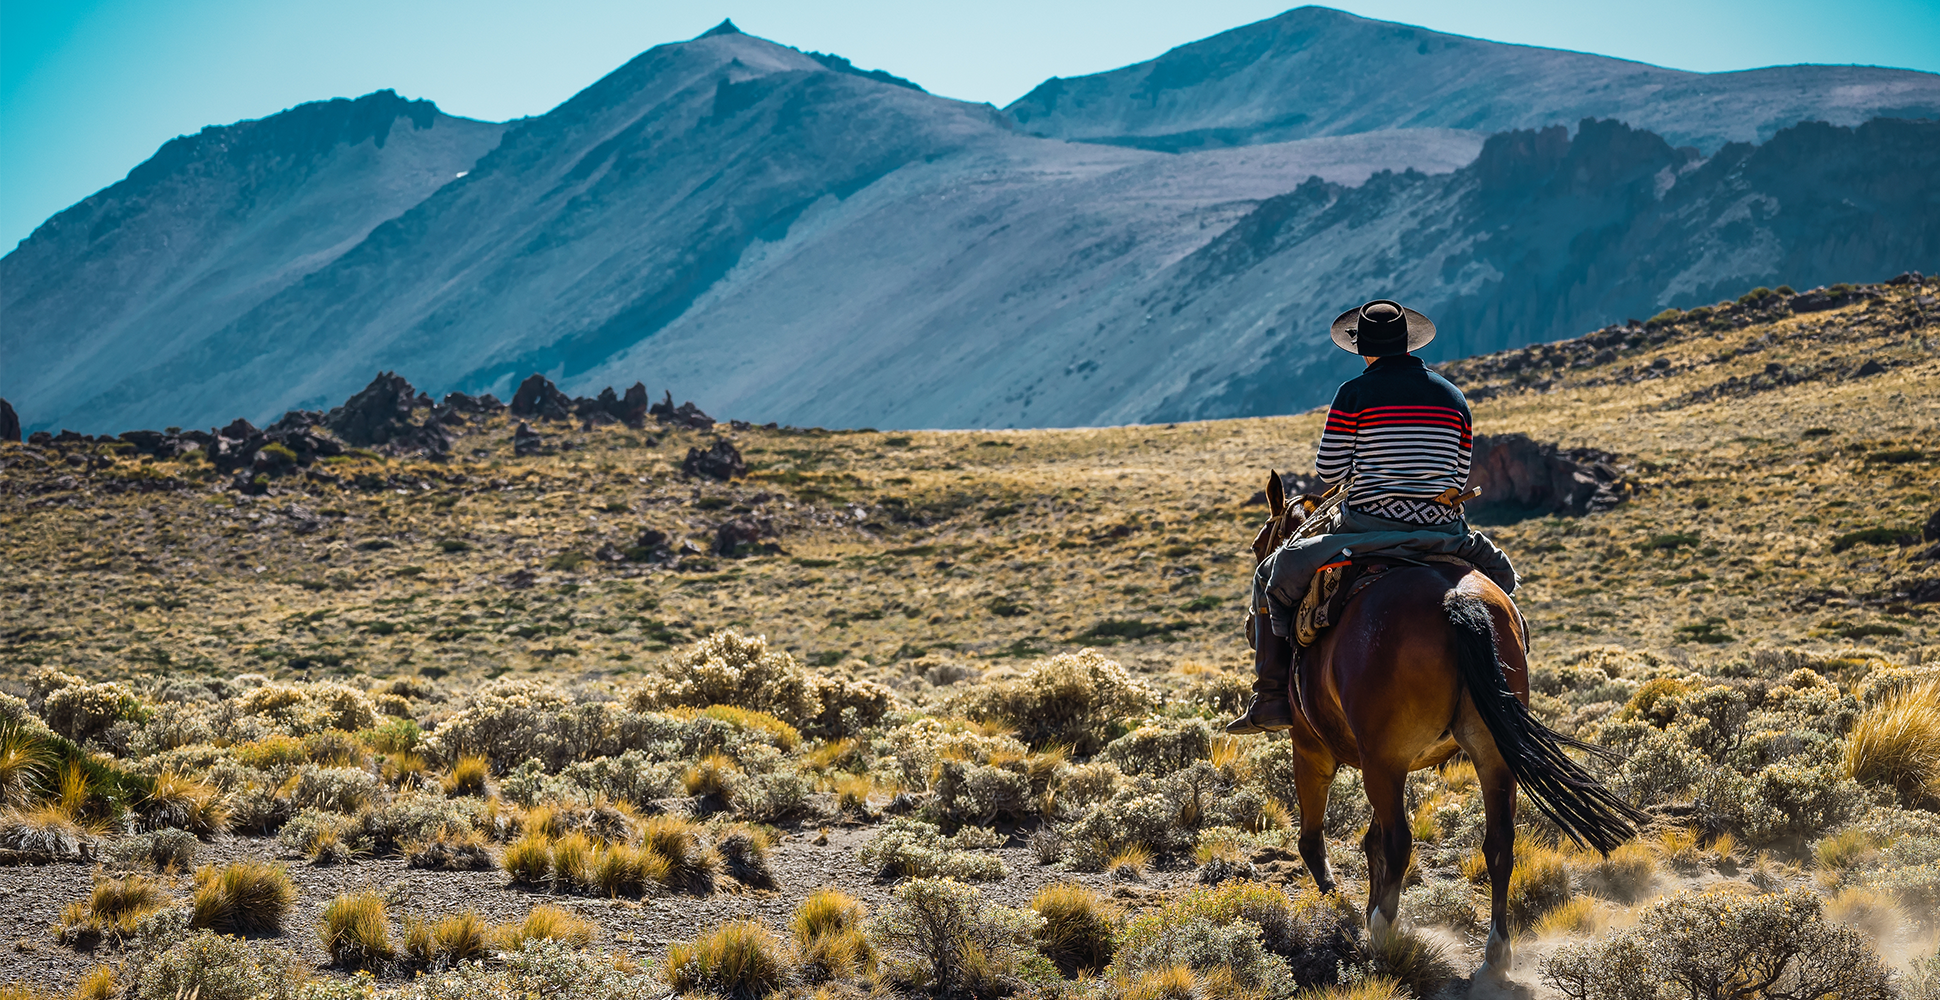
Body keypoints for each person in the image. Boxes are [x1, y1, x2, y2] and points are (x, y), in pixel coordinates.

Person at [1228, 299, 1518, 735]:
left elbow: (1329, 472)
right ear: (1407, 343)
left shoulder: (1354, 394)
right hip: (1443, 531)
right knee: (1503, 579)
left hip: (1367, 527)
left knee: (1274, 571)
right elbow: (1459, 473)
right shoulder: (1453, 398)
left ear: (1364, 349)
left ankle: (1271, 694)